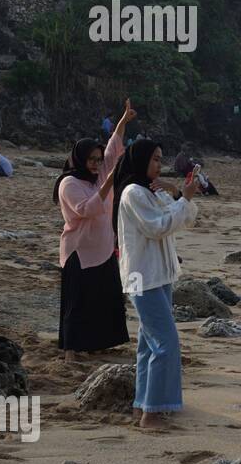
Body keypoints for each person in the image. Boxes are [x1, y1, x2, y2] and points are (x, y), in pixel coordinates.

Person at [115, 138, 199, 429]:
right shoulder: (133, 193)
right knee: (166, 341)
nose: (158, 164)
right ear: (140, 160)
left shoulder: (153, 191)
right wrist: (183, 200)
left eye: (161, 159)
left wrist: (178, 193)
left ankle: (143, 406)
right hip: (142, 277)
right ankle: (152, 412)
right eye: (154, 159)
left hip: (161, 275)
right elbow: (158, 227)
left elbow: (187, 220)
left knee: (149, 345)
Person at [55, 99, 136, 363]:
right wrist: (110, 179)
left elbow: (113, 150)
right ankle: (70, 350)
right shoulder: (69, 183)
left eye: (98, 160)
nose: (96, 164)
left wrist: (123, 121)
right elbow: (87, 209)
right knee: (77, 302)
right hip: (78, 250)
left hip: (102, 248)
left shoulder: (100, 175)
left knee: (104, 299)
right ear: (80, 158)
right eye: (91, 159)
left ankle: (96, 344)